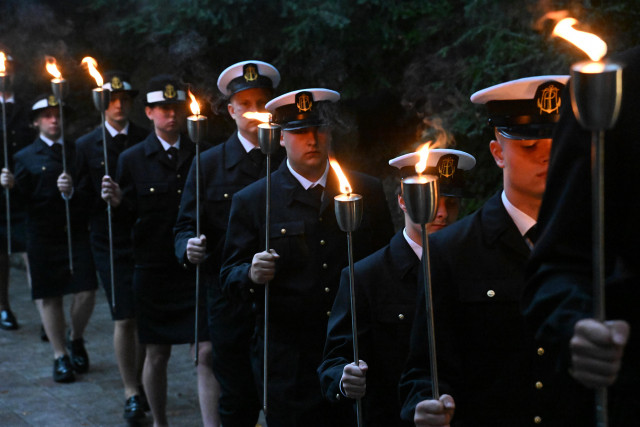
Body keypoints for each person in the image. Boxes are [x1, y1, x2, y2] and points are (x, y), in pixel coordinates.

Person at [398, 75, 588, 426]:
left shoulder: (597, 238)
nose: (546, 158)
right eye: (529, 147)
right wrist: (424, 404)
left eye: (557, 143)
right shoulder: (451, 251)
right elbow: (426, 369)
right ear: (498, 153)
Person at [220, 88, 394, 426]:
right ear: (281, 138)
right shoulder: (256, 200)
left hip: (355, 352)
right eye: (300, 132)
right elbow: (228, 277)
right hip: (290, 360)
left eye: (318, 129)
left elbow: (385, 263)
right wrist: (251, 273)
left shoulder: (365, 190)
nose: (311, 139)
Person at [523, 46, 640, 425]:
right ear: (497, 151)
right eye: (526, 145)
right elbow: (561, 263)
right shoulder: (624, 86)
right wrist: (578, 323)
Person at [318, 148, 475, 426]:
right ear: (403, 200)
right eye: (432, 198)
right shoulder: (366, 277)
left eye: (451, 201)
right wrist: (344, 378)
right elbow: (334, 360)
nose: (441, 212)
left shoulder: (474, 268)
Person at [101, 74, 216, 427]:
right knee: (156, 353)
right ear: (149, 112)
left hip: (194, 267)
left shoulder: (203, 152)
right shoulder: (133, 158)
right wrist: (118, 203)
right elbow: (127, 219)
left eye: (176, 108)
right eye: (163, 109)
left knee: (206, 351)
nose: (172, 115)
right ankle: (160, 421)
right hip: (153, 267)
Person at [174, 60, 284, 427]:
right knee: (237, 398)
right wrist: (188, 247)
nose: (255, 112)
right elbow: (185, 225)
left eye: (262, 102)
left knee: (284, 395)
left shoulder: (288, 157)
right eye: (246, 103)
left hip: (283, 298)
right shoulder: (209, 164)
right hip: (229, 300)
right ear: (231, 110)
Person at [1, 94, 98, 383]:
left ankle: (75, 336)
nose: (53, 119)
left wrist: (71, 192)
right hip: (42, 234)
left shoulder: (77, 152)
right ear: (35, 122)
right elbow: (17, 205)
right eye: (46, 115)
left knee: (86, 291)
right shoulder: (23, 157)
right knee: (49, 296)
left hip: (74, 232)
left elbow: (89, 195)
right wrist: (8, 188)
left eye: (57, 114)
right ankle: (60, 355)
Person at [75, 71, 149, 421]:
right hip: (107, 241)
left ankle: (144, 378)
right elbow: (79, 201)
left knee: (145, 315)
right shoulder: (86, 145)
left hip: (142, 238)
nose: (118, 105)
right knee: (124, 315)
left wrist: (123, 200)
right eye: (112, 100)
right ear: (102, 104)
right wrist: (71, 190)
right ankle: (131, 389)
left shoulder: (144, 139)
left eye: (124, 100)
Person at [0, 52, 34, 330]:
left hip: (23, 190)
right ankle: (3, 307)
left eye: (7, 69)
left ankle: (43, 308)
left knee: (31, 249)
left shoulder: (26, 108)